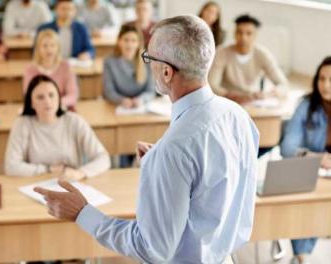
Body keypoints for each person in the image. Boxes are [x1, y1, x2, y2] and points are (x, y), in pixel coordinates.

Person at [35, 15, 259, 263]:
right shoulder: (238, 116)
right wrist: (167, 167)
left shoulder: (174, 150)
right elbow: (213, 185)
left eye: (148, 57)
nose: (146, 64)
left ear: (166, 72)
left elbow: (152, 249)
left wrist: (82, 212)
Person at [5, 75, 110, 179]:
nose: (47, 101)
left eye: (51, 95)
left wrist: (81, 173)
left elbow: (103, 158)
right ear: (31, 103)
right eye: (40, 97)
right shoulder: (22, 124)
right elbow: (11, 166)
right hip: (36, 184)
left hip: (71, 183)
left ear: (59, 98)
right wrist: (47, 169)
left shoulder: (74, 121)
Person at [280, 56, 331, 264]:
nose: (325, 85)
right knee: (305, 200)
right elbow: (287, 147)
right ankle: (303, 257)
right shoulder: (306, 105)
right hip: (312, 174)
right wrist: (318, 158)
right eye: (322, 78)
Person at [209, 14, 288, 104]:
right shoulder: (221, 52)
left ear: (255, 35)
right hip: (226, 100)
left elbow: (283, 84)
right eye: (239, 32)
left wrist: (269, 94)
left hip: (253, 101)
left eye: (249, 33)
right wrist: (231, 95)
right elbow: (212, 85)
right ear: (234, 33)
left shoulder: (262, 54)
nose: (243, 37)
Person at [103, 24, 155, 108]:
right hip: (117, 106)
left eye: (134, 40)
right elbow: (109, 92)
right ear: (119, 41)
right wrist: (121, 100)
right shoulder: (109, 62)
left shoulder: (147, 60)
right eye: (126, 40)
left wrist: (141, 100)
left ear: (138, 43)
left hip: (141, 106)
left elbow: (151, 91)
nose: (129, 44)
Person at [23, 29, 78, 108]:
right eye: (45, 46)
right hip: (39, 110)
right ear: (38, 49)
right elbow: (28, 96)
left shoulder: (66, 67)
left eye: (53, 45)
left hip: (62, 108)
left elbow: (73, 95)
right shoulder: (30, 69)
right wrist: (45, 105)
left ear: (58, 48)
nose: (49, 50)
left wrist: (54, 104)